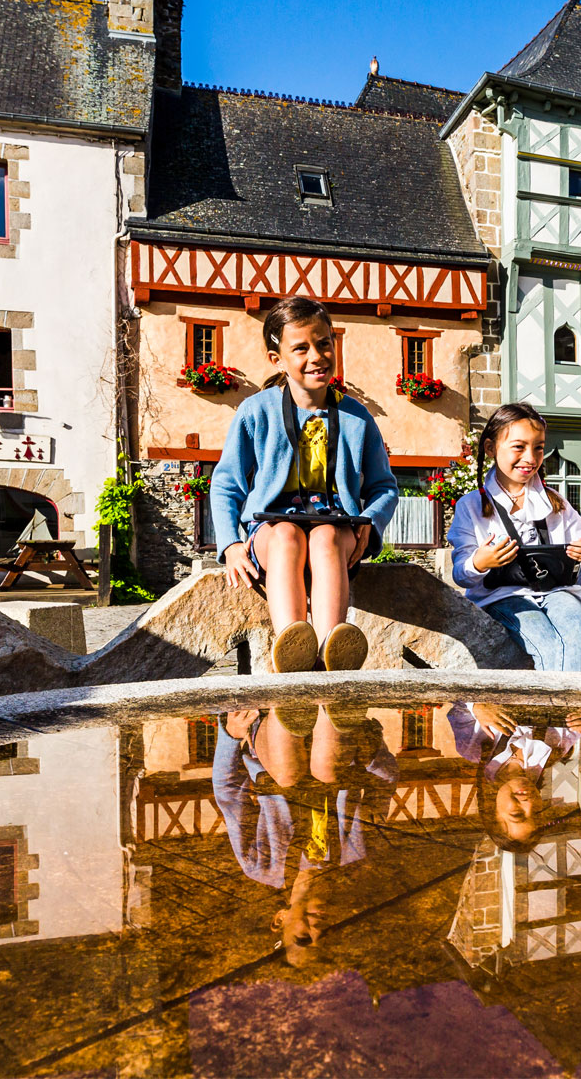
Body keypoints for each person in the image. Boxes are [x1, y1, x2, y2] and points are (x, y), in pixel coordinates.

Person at [211, 297, 399, 672]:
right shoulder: (255, 411)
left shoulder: (358, 416)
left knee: (326, 535)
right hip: (273, 527)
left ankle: (333, 649)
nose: (317, 355)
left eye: (325, 343)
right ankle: (292, 648)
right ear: (276, 359)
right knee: (286, 537)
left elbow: (384, 487)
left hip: (337, 527)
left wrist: (368, 523)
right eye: (301, 348)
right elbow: (226, 483)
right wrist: (231, 545)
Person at [213, 704, 397, 966]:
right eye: (330, 933)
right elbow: (384, 787)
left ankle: (288, 690)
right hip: (338, 748)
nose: (319, 929)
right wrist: (371, 751)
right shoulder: (357, 852)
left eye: (303, 937)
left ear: (280, 920)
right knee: (326, 770)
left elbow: (229, 797)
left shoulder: (260, 866)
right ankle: (331, 694)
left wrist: (231, 737)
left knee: (287, 775)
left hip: (272, 750)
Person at [446, 403, 581, 672]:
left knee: (579, 633)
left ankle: (563, 710)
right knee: (547, 645)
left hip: (557, 592)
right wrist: (480, 562)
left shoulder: (556, 502)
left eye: (539, 447)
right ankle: (568, 710)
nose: (530, 458)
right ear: (490, 448)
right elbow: (461, 575)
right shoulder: (470, 506)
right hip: (502, 597)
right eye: (519, 447)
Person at [446, 700, 581, 852]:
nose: (529, 804)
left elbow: (450, 693)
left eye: (517, 814)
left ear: (491, 811)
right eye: (536, 813)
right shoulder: (555, 748)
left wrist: (476, 707)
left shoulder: (471, 746)